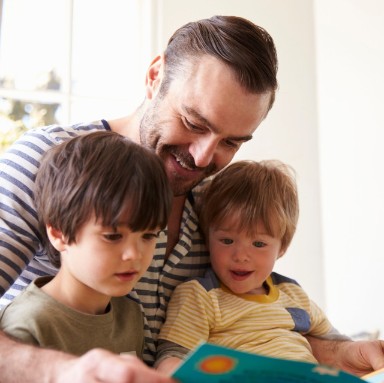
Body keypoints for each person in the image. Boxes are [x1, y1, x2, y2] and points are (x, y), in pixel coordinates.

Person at [0, 15, 383, 383]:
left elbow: (244, 324)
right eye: (194, 123)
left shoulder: (218, 201)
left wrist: (335, 354)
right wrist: (60, 372)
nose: (202, 158)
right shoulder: (46, 160)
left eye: (231, 142)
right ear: (155, 77)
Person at [156, 160, 347, 373]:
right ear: (207, 237)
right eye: (227, 241)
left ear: (282, 247)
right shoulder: (200, 296)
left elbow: (339, 344)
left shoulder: (293, 294)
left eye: (259, 244)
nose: (241, 256)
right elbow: (172, 360)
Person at [1, 131, 172, 357]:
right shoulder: (26, 326)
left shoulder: (130, 314)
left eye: (149, 235)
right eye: (112, 236)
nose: (133, 254)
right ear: (59, 234)